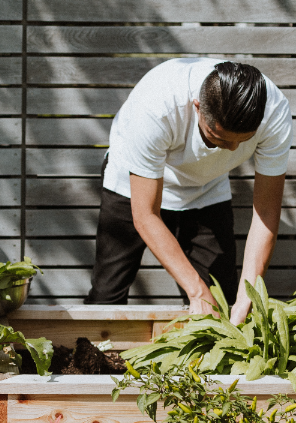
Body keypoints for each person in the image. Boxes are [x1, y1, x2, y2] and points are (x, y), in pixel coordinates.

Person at [84, 58, 292, 325]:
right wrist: (196, 291)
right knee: (106, 297)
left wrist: (247, 297)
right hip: (132, 185)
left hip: (206, 187)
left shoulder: (274, 112)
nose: (231, 150)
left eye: (242, 141)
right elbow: (146, 215)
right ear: (198, 108)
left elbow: (265, 212)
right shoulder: (157, 106)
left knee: (221, 302)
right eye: (217, 138)